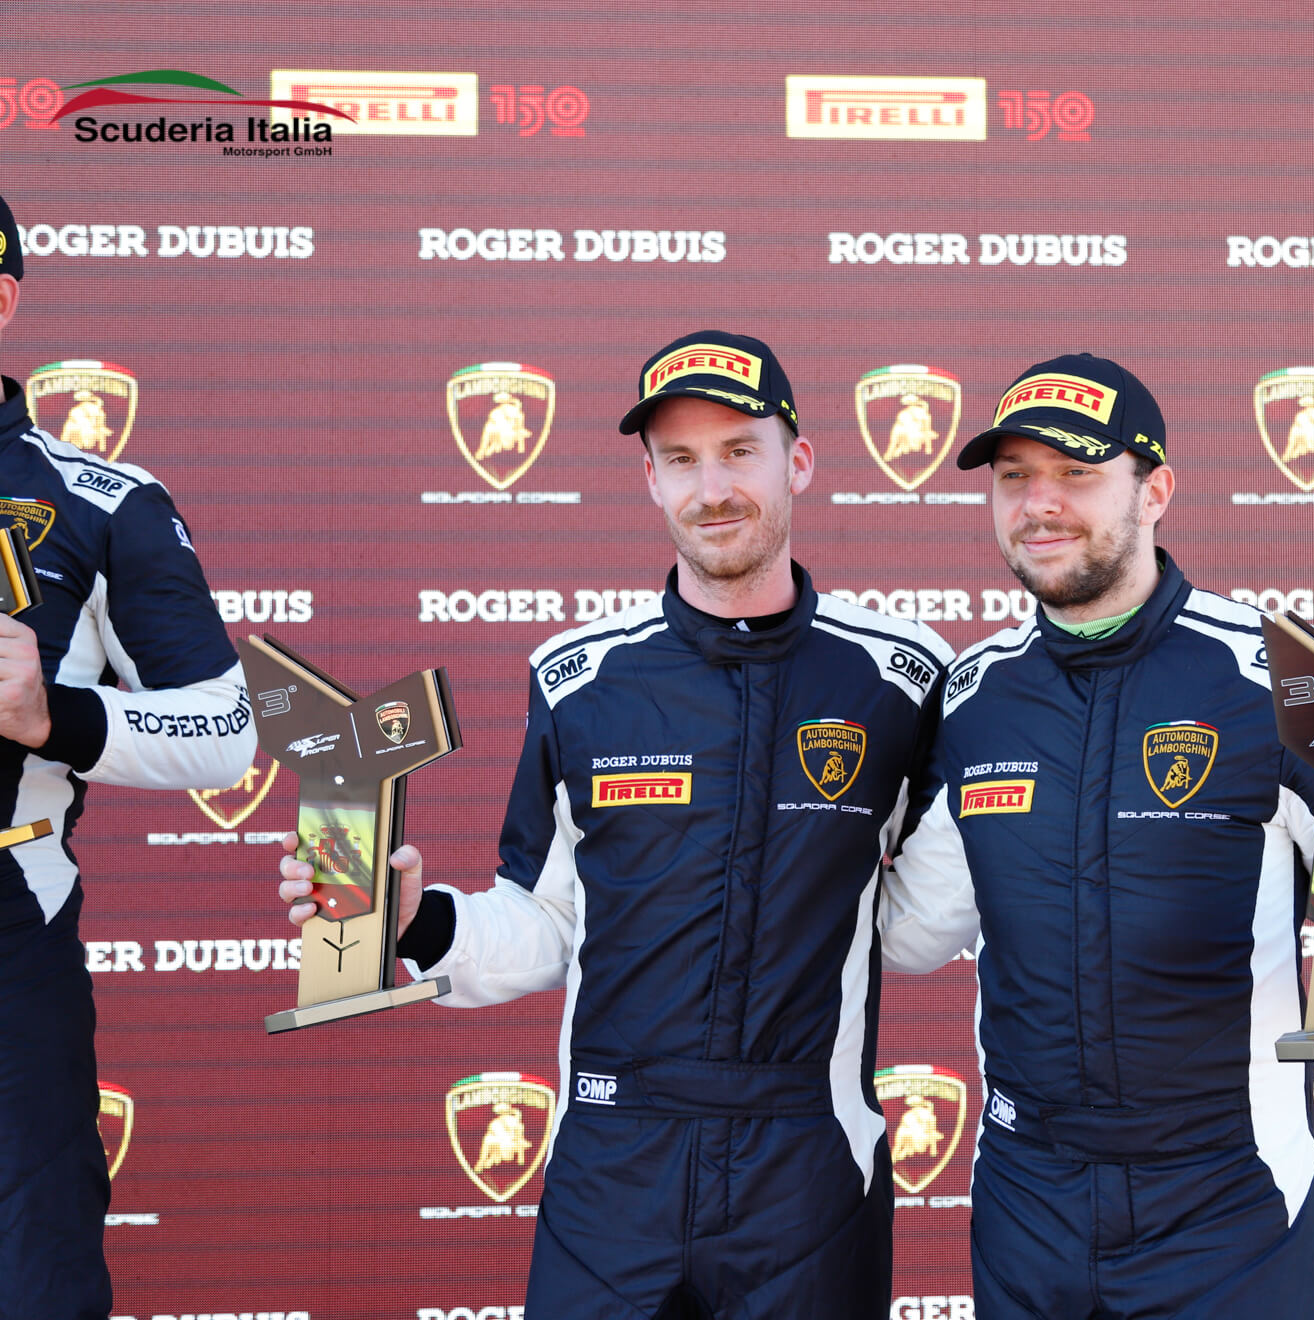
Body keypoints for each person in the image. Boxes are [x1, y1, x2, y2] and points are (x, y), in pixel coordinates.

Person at [276, 331, 951, 1320]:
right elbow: (546, 920)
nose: (711, 488)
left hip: (808, 1165)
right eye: (680, 460)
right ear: (649, 479)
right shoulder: (579, 678)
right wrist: (414, 920)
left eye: (739, 451)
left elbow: (928, 915)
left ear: (799, 461)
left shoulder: (902, 674)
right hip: (610, 1164)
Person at [880, 353, 1314, 1318]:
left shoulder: (1291, 680)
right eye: (1015, 476)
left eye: (1076, 473)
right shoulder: (974, 695)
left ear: (1154, 491)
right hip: (1029, 1196)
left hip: (1225, 1198)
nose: (1039, 503)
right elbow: (916, 932)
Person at [0, 193, 257, 1320]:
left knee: (34, 1278)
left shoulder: (101, 500)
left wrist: (49, 715)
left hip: (12, 922)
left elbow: (226, 729)